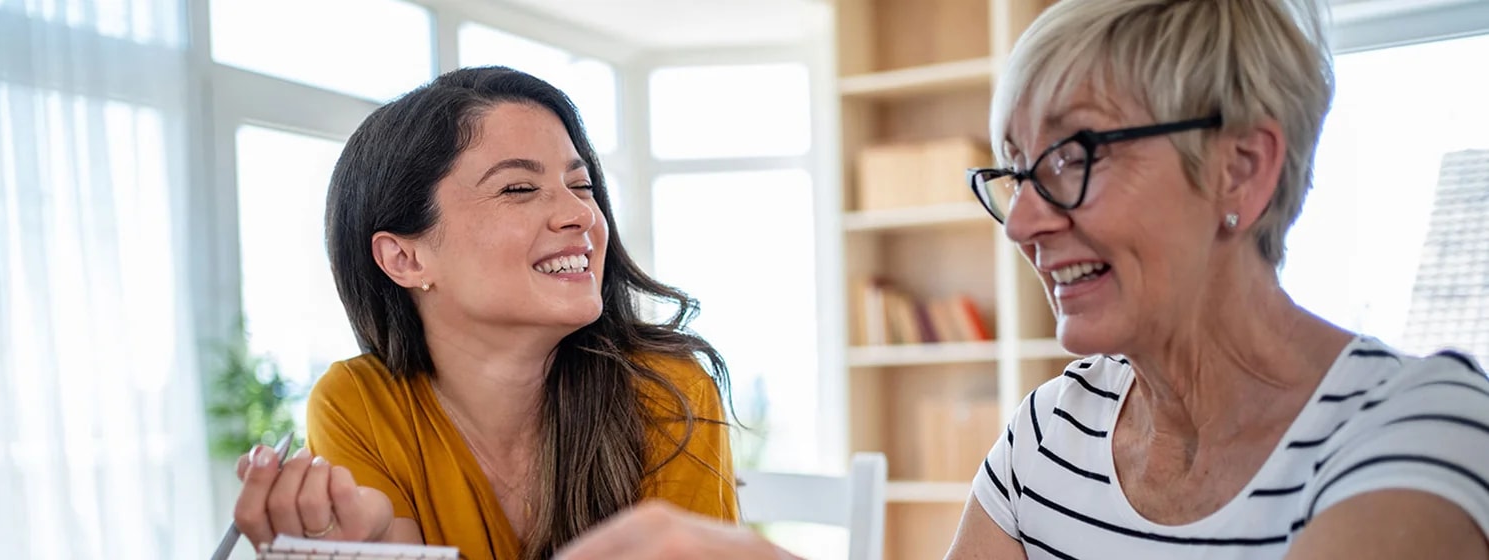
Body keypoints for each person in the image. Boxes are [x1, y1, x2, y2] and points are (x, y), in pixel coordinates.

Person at [554, 0, 1489, 558]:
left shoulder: (1417, 424)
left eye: (1075, 156)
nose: (1028, 221)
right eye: (1015, 170)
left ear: (1243, 168)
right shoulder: (1055, 433)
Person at [229, 66, 739, 559]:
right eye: (518, 188)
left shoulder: (668, 389)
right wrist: (379, 549)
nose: (581, 213)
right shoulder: (359, 404)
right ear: (405, 258)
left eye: (581, 186)